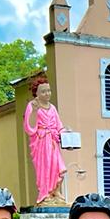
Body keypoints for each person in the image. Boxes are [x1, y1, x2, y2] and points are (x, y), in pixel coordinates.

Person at [24, 75, 67, 204]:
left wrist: (65, 133)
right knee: (45, 168)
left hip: (53, 141)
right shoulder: (32, 105)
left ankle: (56, 191)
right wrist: (34, 112)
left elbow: (59, 125)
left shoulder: (52, 107)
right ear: (36, 93)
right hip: (41, 142)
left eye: (48, 90)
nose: (47, 93)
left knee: (58, 167)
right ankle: (45, 194)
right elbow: (29, 127)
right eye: (43, 91)